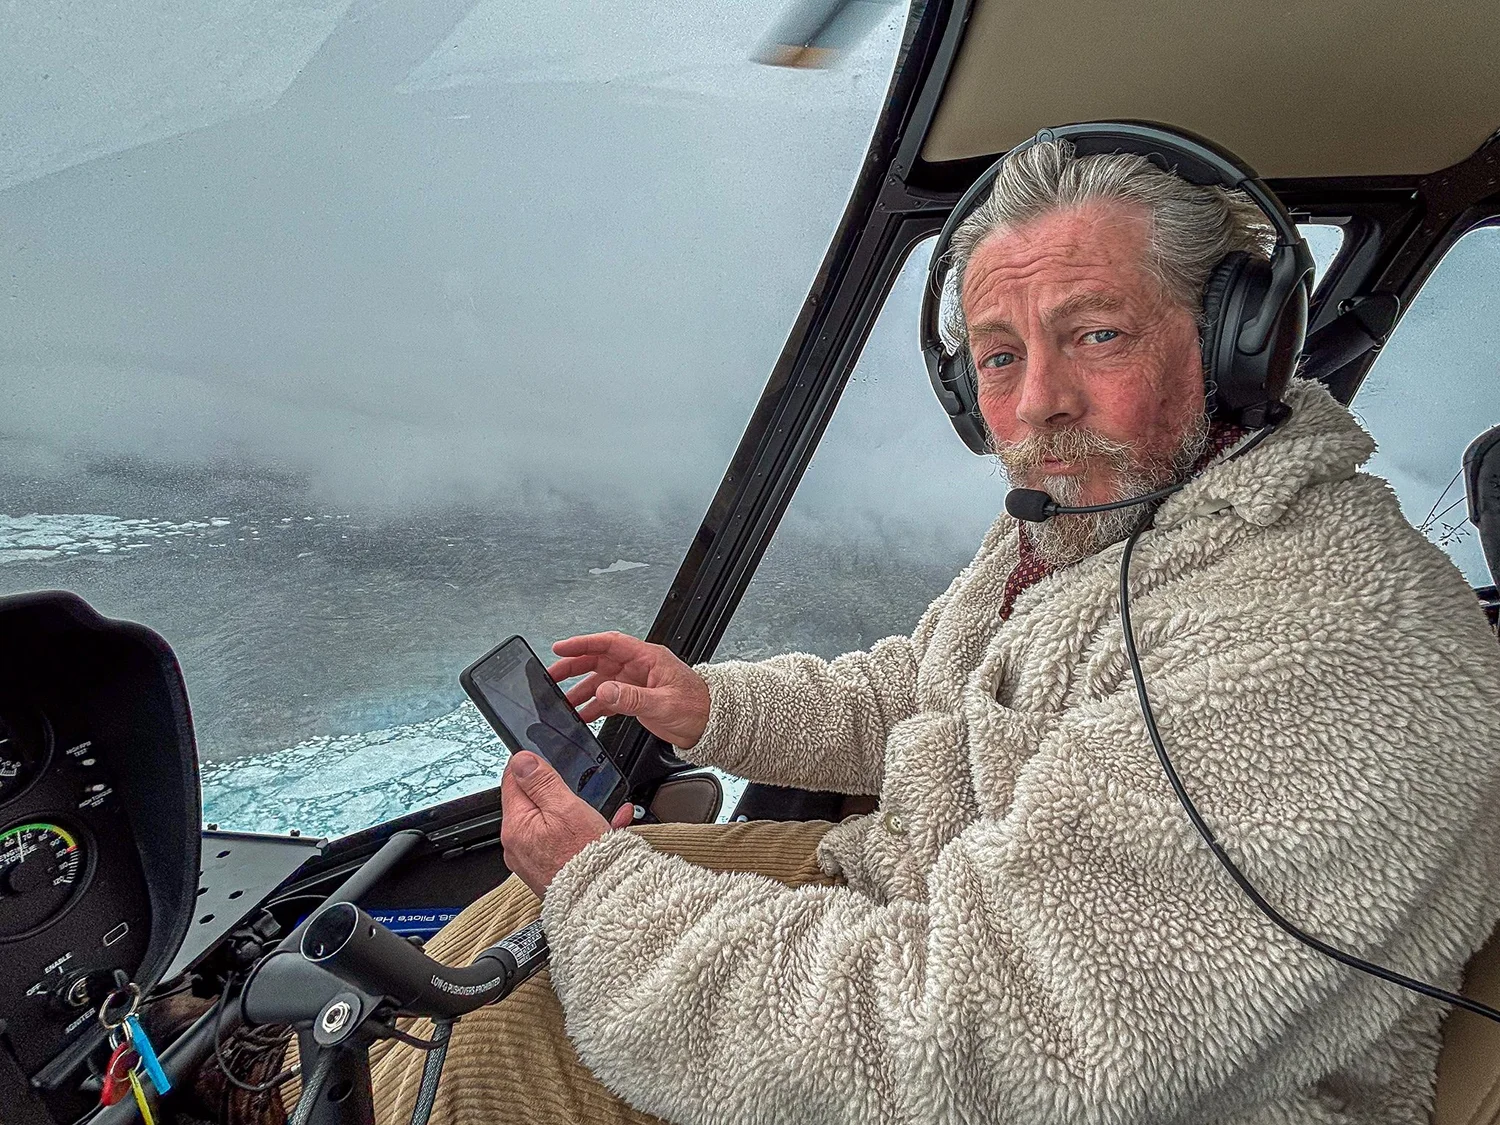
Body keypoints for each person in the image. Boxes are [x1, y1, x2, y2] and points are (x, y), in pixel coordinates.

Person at [328, 140, 1500, 1125]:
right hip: (932, 903)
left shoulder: (1324, 653)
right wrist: (712, 707)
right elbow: (935, 686)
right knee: (514, 920)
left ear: (1241, 341)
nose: (1036, 402)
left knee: (492, 1049)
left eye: (1096, 334)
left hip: (1057, 1065)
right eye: (1000, 355)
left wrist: (603, 891)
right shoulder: (1096, 513)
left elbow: (978, 1042)